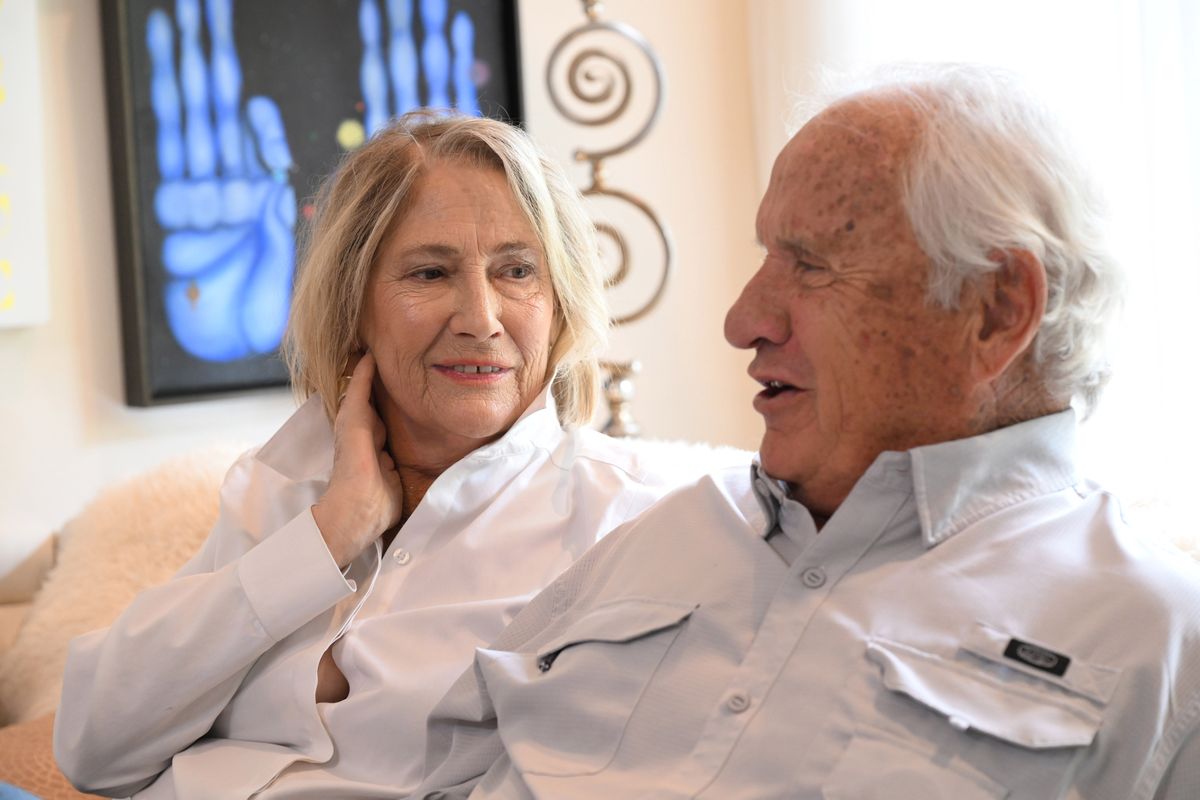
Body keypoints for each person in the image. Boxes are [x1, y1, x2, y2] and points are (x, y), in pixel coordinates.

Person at [412, 65, 1200, 799]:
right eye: (766, 257)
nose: (742, 321)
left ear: (996, 310)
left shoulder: (1156, 640)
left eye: (811, 264)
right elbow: (449, 771)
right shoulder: (671, 529)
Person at [53, 111, 742, 799]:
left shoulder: (622, 522)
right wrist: (327, 537)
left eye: (517, 270)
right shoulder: (285, 488)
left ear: (560, 303)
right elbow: (93, 745)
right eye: (431, 272)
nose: (480, 317)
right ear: (353, 304)